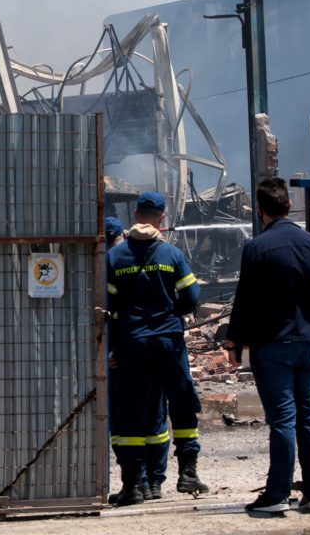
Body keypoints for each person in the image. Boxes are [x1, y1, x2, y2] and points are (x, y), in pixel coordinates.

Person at [224, 177, 310, 515]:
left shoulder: (257, 248)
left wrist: (234, 339)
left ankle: (277, 495)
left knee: (284, 421)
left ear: (260, 211)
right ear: (288, 206)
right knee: (309, 420)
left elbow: (246, 300)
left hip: (273, 347)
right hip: (309, 344)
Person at [105, 192, 208, 506]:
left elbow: (109, 305)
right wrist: (168, 312)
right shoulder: (171, 255)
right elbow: (192, 298)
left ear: (136, 214)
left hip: (132, 344)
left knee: (132, 413)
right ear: (161, 217)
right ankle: (188, 473)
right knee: (181, 403)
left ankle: (133, 486)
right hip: (168, 342)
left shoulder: (115, 258)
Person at [104, 215, 172, 504]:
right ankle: (151, 482)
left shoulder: (110, 264)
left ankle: (138, 482)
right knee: (154, 416)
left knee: (126, 422)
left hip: (126, 354)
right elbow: (189, 296)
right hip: (156, 348)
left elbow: (106, 316)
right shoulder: (163, 255)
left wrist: (108, 351)